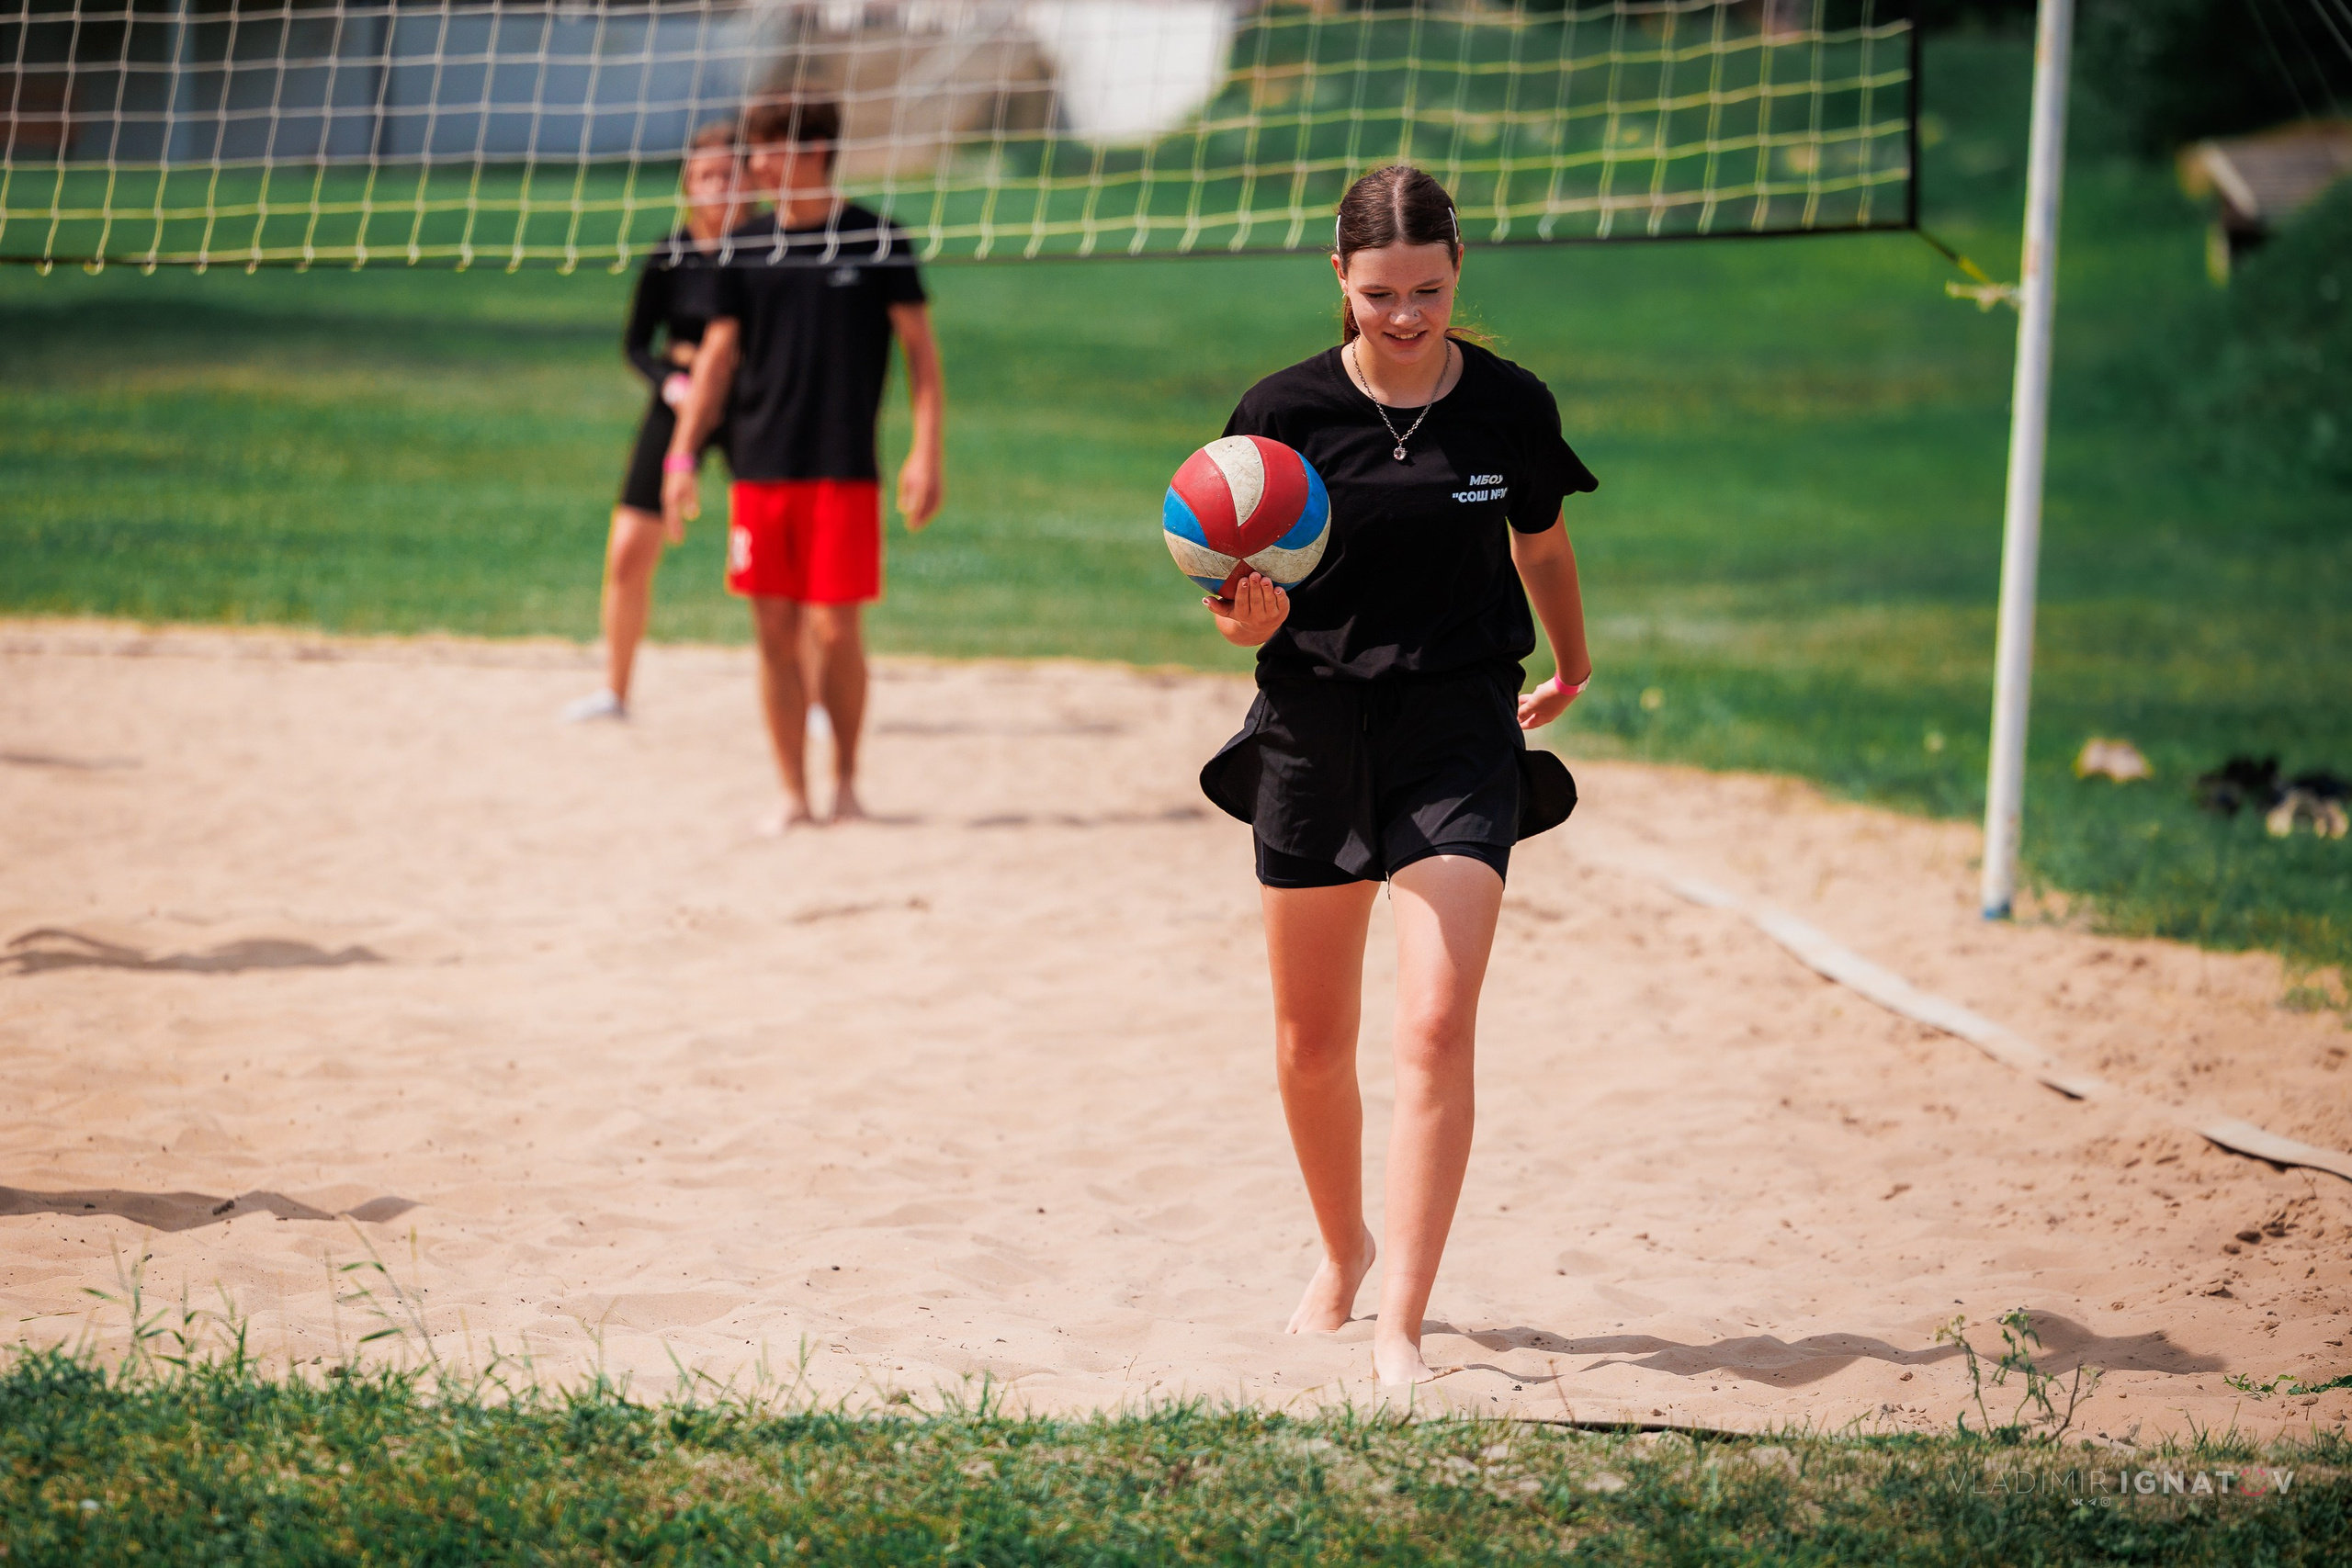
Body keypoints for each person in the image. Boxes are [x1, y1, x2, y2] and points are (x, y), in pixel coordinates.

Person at [1197, 165, 1598, 1386]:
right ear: (1339, 277)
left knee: (1433, 1021)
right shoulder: (1282, 412)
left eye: (1428, 289)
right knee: (1312, 1039)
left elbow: (1542, 536)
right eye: (1381, 294)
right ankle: (1342, 1248)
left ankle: (1403, 1319)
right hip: (1313, 725)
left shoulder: (1509, 408)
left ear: (1459, 267)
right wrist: (1243, 616)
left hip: (1459, 725)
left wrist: (1571, 663)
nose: (1409, 316)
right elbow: (1230, 596)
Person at [662, 96, 944, 829]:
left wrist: (926, 449)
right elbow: (718, 359)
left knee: (835, 632)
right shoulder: (746, 244)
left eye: (764, 149)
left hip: (844, 467)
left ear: (812, 149)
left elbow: (921, 357)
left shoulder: (876, 237)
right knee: (773, 635)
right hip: (760, 468)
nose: (753, 164)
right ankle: (793, 792)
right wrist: (681, 454)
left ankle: (845, 783)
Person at [564, 121, 748, 723]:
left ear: (749, 180)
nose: (717, 186)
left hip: (748, 406)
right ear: (687, 185)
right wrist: (672, 379)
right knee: (626, 552)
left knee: (776, 549)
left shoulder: (770, 247)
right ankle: (615, 691)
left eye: (728, 173)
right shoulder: (670, 253)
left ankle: (815, 696)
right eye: (704, 175)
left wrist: (723, 368)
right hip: (677, 406)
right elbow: (637, 344)